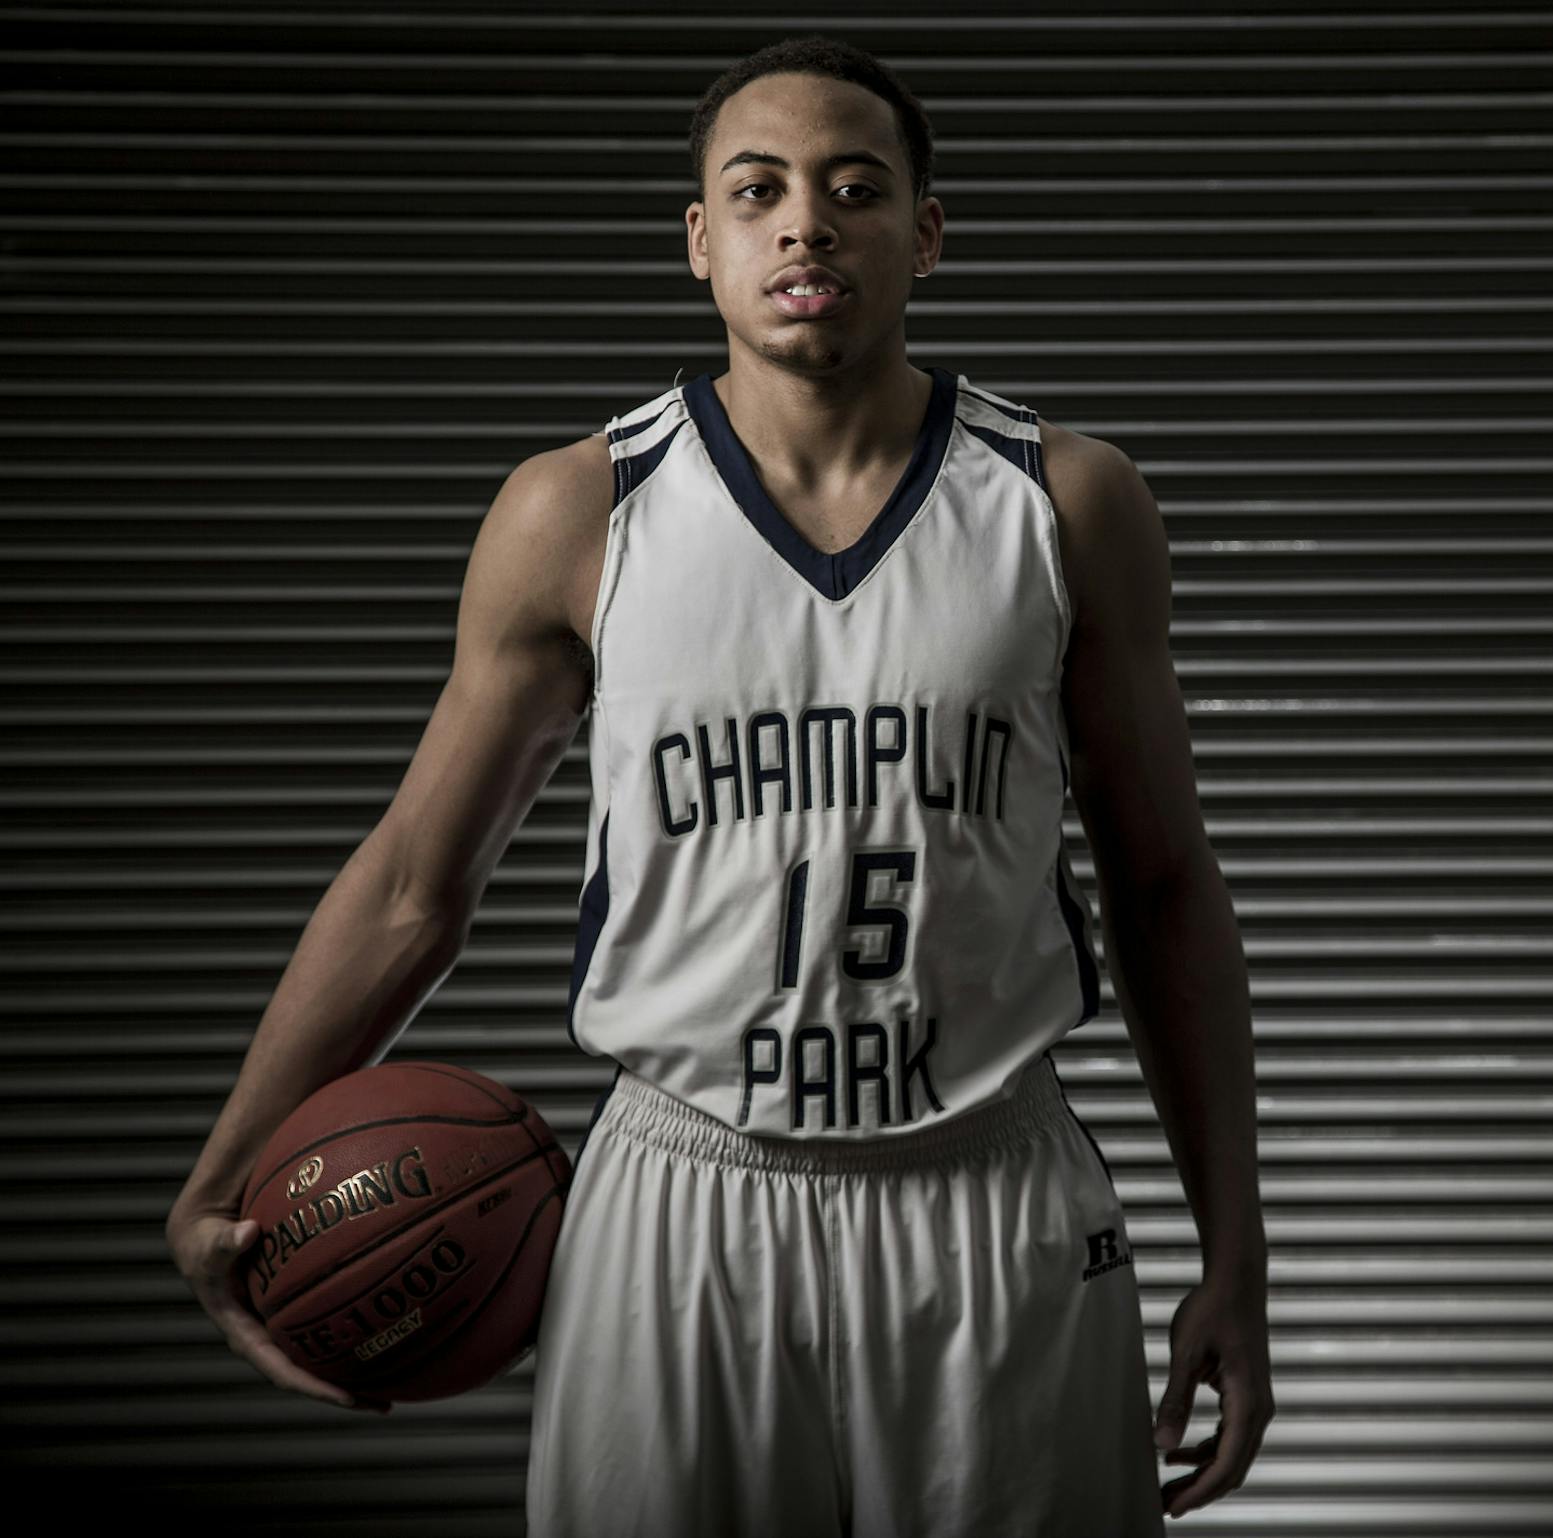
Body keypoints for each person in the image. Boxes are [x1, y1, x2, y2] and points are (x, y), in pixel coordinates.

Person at [165, 33, 1272, 1536]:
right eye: (758, 191)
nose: (804, 221)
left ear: (926, 234)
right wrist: (225, 1171)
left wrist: (1237, 1253)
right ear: (703, 242)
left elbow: (1161, 883)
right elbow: (420, 882)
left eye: (855, 188)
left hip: (989, 1181)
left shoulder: (1067, 502)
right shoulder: (581, 510)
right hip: (682, 1187)